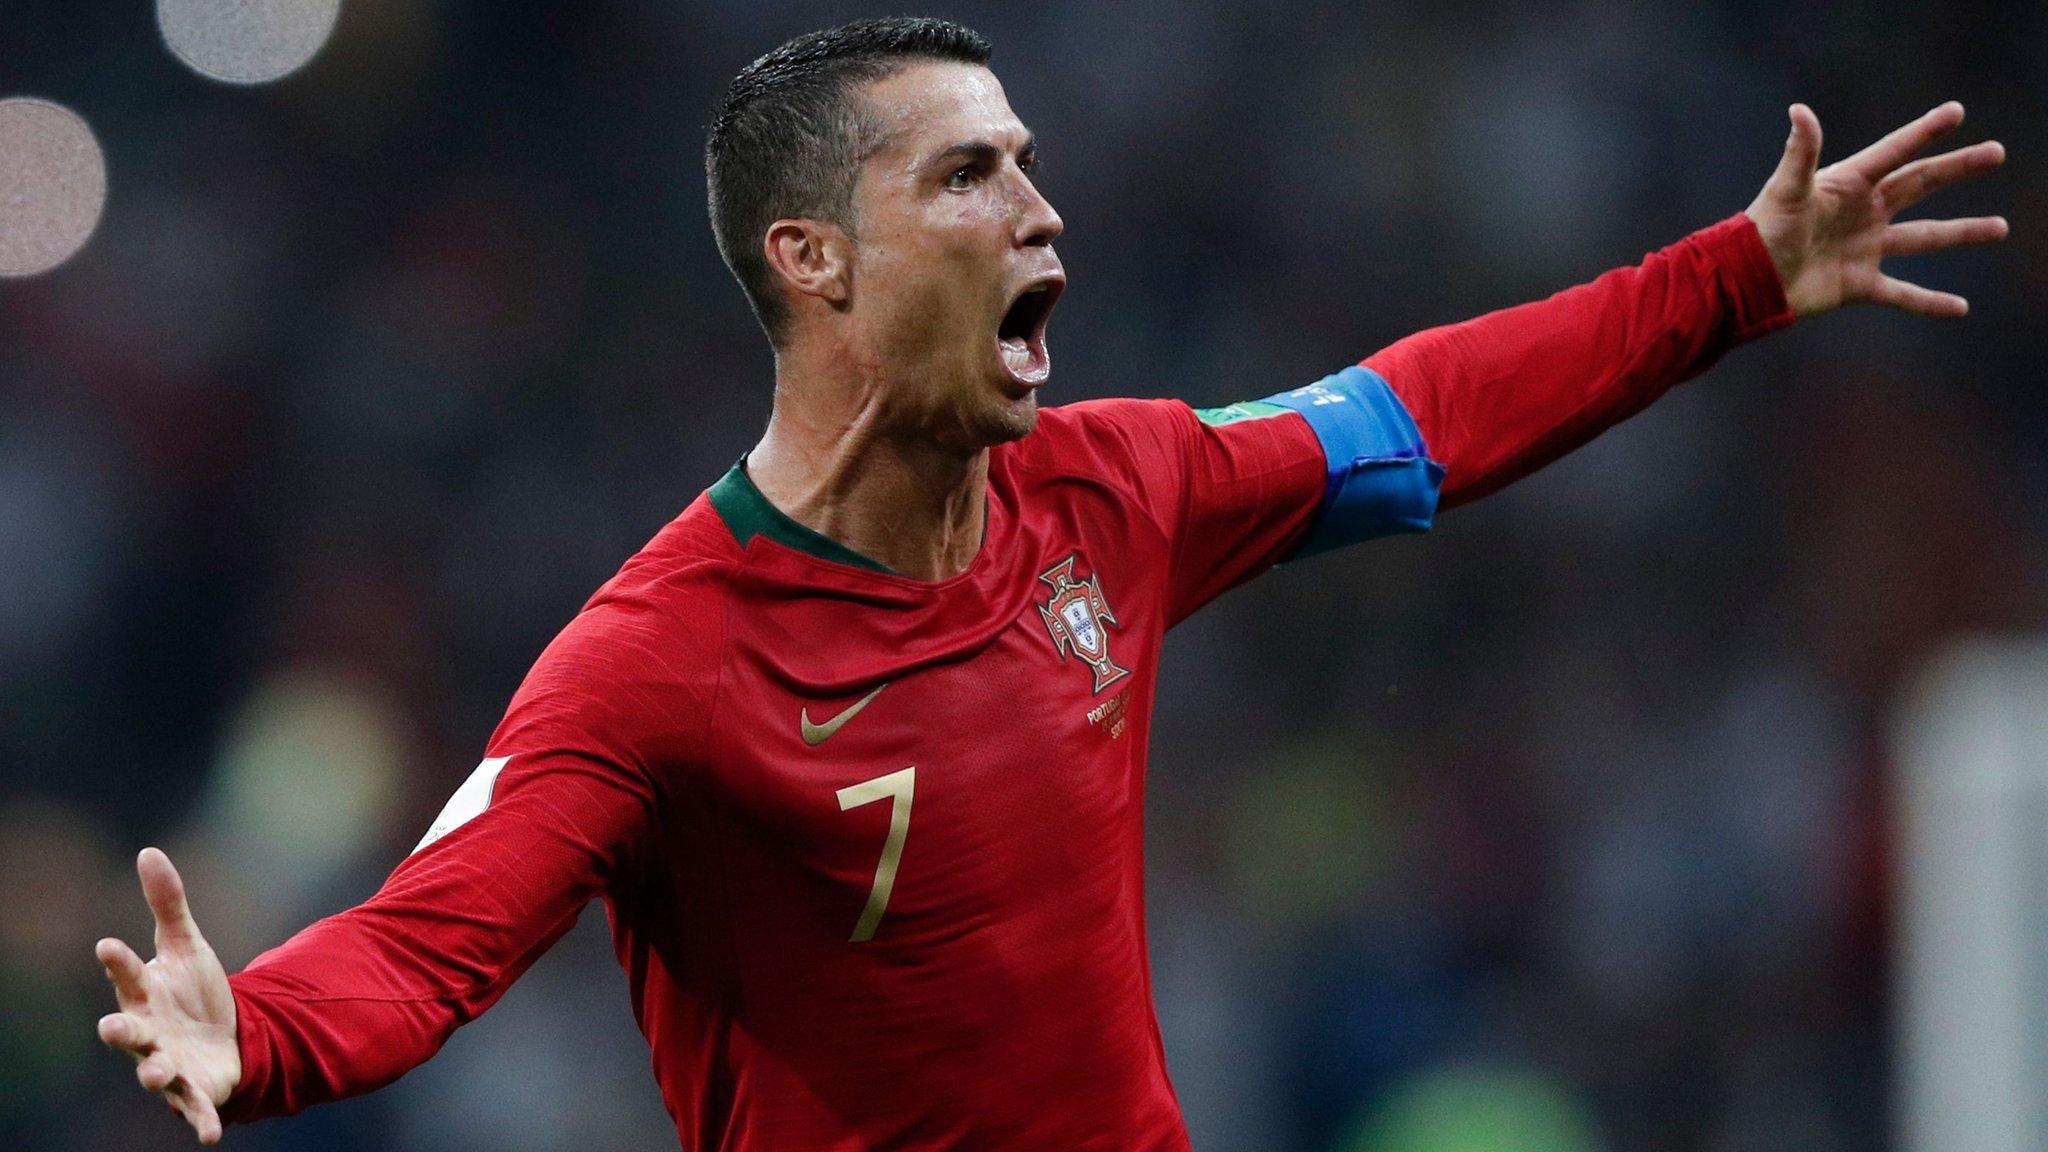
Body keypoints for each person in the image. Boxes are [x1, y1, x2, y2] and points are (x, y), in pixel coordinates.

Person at [93, 16, 2006, 1150]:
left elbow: (1419, 415)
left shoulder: (1111, 492)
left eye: (1031, 165)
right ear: (816, 260)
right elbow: (440, 931)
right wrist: (250, 1032)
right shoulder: (660, 662)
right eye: (972, 177)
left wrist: (1734, 276)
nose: (1041, 211)